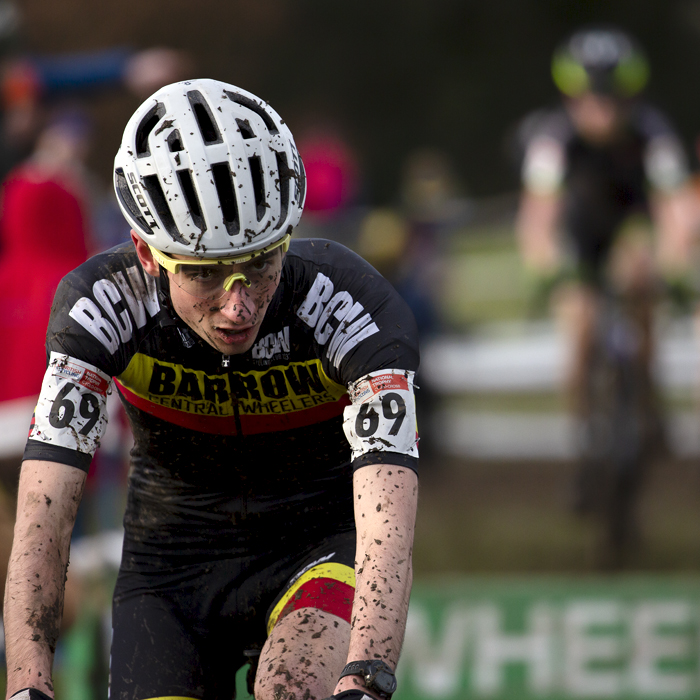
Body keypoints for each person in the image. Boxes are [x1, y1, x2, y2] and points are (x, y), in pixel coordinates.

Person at [3, 78, 419, 700]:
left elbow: (389, 517)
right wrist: (27, 682)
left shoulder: (350, 305)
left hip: (318, 545)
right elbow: (43, 513)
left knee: (293, 689)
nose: (238, 305)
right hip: (171, 567)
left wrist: (367, 671)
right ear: (146, 252)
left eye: (260, 263)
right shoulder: (100, 308)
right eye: (204, 274)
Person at [514, 26, 696, 508]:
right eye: (591, 99)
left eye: (614, 99)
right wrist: (549, 268)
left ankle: (647, 395)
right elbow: (538, 217)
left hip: (631, 233)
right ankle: (584, 441)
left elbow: (676, 208)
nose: (603, 110)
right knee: (579, 327)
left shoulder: (653, 134)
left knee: (639, 278)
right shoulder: (553, 140)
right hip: (580, 238)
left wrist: (674, 265)